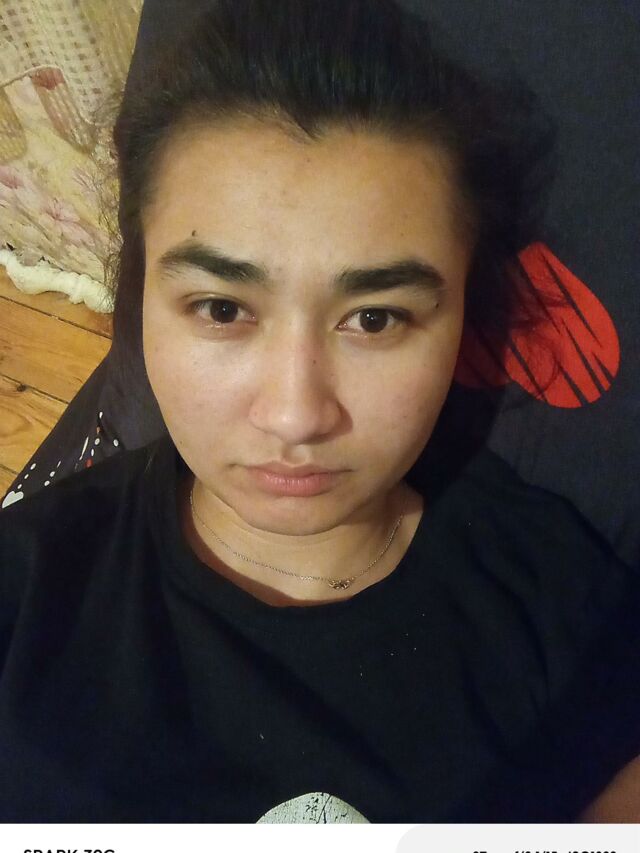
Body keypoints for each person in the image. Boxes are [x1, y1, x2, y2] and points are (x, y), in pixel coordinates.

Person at [0, 0, 638, 823]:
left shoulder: (572, 624)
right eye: (223, 308)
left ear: (462, 317)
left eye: (374, 318)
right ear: (142, 293)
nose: (296, 415)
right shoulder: (27, 590)